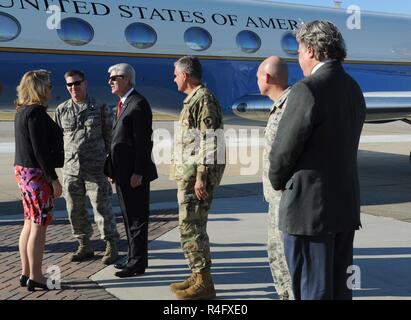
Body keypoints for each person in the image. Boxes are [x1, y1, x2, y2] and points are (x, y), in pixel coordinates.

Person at [268, 21, 366, 300]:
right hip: (344, 207)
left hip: (309, 213)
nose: (298, 59)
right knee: (339, 290)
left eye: (299, 51)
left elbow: (283, 151)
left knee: (313, 289)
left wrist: (277, 180)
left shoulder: (307, 90)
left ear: (311, 50)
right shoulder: (353, 87)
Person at [169, 56, 225, 300]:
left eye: (175, 74)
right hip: (189, 174)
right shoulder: (193, 100)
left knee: (192, 227)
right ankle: (197, 274)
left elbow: (210, 139)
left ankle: (204, 283)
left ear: (186, 75)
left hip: (196, 177)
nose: (173, 79)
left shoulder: (203, 99)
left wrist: (202, 175)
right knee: (189, 226)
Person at [55, 70, 119, 265]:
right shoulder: (62, 109)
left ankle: (111, 245)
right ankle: (84, 244)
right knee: (74, 209)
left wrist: (110, 166)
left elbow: (111, 138)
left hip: (96, 169)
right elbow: (59, 140)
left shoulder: (100, 107)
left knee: (102, 208)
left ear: (85, 83)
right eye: (69, 85)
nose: (73, 87)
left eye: (77, 83)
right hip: (71, 171)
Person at [104, 63, 158, 278]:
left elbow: (143, 143)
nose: (110, 82)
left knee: (137, 219)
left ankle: (137, 263)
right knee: (128, 218)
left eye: (114, 78)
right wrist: (113, 169)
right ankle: (133, 256)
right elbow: (119, 142)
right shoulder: (124, 103)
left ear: (126, 79)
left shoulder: (138, 104)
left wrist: (138, 172)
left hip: (134, 175)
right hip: (123, 173)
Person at [14, 70, 63, 291]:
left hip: (24, 172)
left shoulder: (22, 111)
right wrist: (53, 179)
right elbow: (40, 150)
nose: (52, 89)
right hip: (36, 175)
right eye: (49, 86)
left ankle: (26, 272)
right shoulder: (35, 113)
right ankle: (36, 275)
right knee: (39, 226)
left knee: (29, 223)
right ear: (40, 88)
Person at [257, 56, 294, 300]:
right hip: (276, 199)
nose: (257, 81)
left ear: (267, 77)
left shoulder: (291, 105)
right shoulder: (280, 105)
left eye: (258, 76)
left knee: (286, 259)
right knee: (275, 255)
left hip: (285, 200)